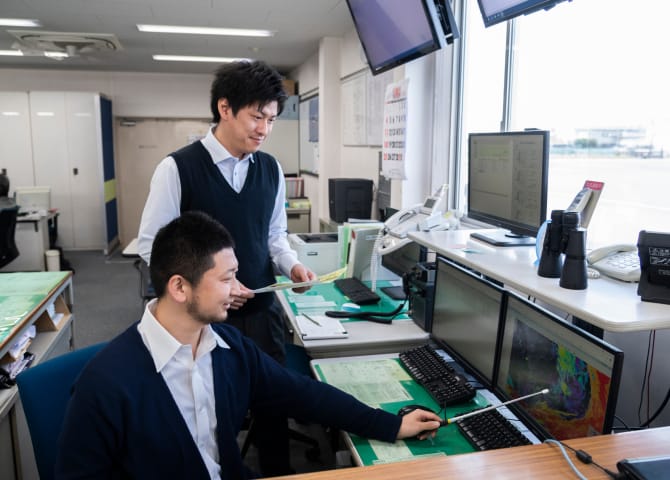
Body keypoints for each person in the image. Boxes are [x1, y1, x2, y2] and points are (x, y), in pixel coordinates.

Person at [56, 211, 442, 479]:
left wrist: (389, 424)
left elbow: (304, 395)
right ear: (178, 287)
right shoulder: (104, 385)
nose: (239, 290)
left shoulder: (227, 348)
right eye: (227, 279)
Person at [136, 60, 315, 474]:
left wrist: (292, 267)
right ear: (224, 108)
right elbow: (152, 246)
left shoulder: (270, 169)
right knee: (210, 419)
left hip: (261, 312)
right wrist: (207, 288)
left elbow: (273, 237)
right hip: (201, 322)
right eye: (256, 116)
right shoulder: (177, 168)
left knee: (274, 411)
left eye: (270, 119)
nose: (264, 129)